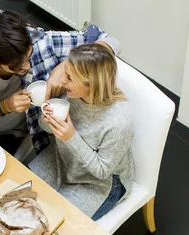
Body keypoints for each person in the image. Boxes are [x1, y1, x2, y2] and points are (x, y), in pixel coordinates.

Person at [0, 10, 121, 155]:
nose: (27, 67)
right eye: (16, 66)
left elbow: (110, 40)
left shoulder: (39, 41)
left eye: (29, 57)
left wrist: (65, 65)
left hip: (20, 137)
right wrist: (5, 106)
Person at [28, 43, 134, 220]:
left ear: (90, 84)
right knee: (19, 193)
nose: (62, 81)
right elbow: (48, 129)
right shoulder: (71, 93)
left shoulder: (118, 122)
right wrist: (47, 121)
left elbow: (102, 171)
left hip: (100, 183)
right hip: (63, 160)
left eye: (69, 77)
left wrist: (71, 138)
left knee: (55, 223)